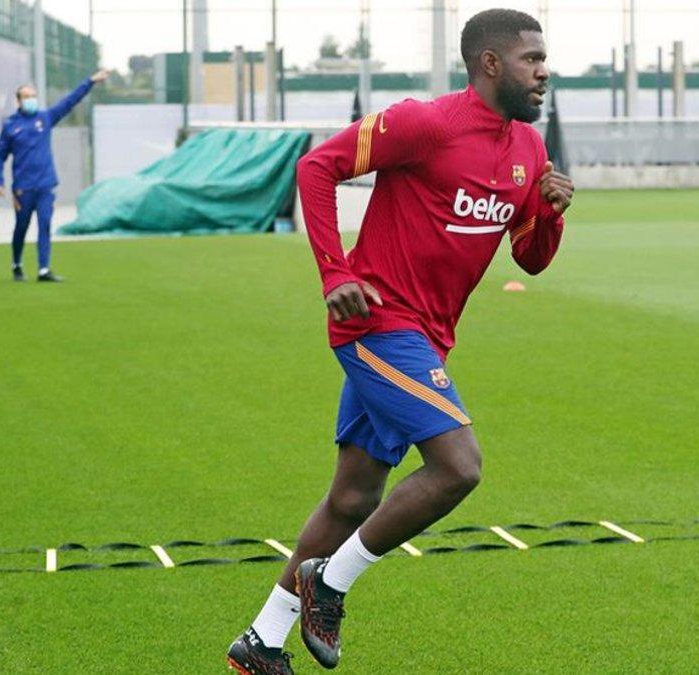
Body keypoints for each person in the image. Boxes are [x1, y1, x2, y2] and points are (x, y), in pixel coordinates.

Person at [226, 9, 573, 674]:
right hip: (378, 324)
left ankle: (260, 644)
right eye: (532, 59)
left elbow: (529, 257)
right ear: (490, 64)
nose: (544, 71)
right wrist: (336, 273)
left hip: (428, 340)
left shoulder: (529, 151)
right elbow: (315, 168)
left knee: (354, 498)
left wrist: (550, 215)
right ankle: (329, 580)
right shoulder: (425, 123)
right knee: (458, 467)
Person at [0, 69, 109, 282]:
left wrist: (90, 81)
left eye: (33, 96)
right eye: (26, 97)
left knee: (45, 224)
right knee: (21, 226)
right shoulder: (10, 126)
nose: (31, 100)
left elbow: (70, 101)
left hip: (45, 184)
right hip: (23, 188)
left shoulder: (45, 118)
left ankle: (43, 269)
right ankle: (17, 263)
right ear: (18, 101)